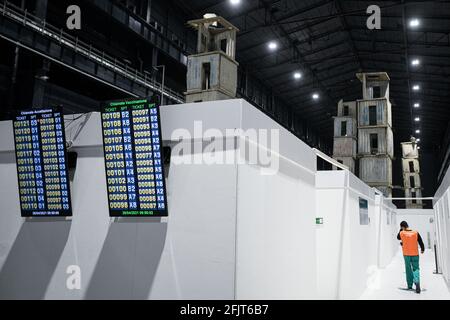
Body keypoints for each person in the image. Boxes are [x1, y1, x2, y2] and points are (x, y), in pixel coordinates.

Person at [397, 221, 425, 294]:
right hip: (415, 254)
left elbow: (398, 237)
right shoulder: (415, 232)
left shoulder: (402, 233)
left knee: (408, 269)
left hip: (406, 254)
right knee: (416, 269)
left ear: (402, 227)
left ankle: (409, 285)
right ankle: (417, 282)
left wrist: (401, 230)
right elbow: (420, 241)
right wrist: (422, 249)